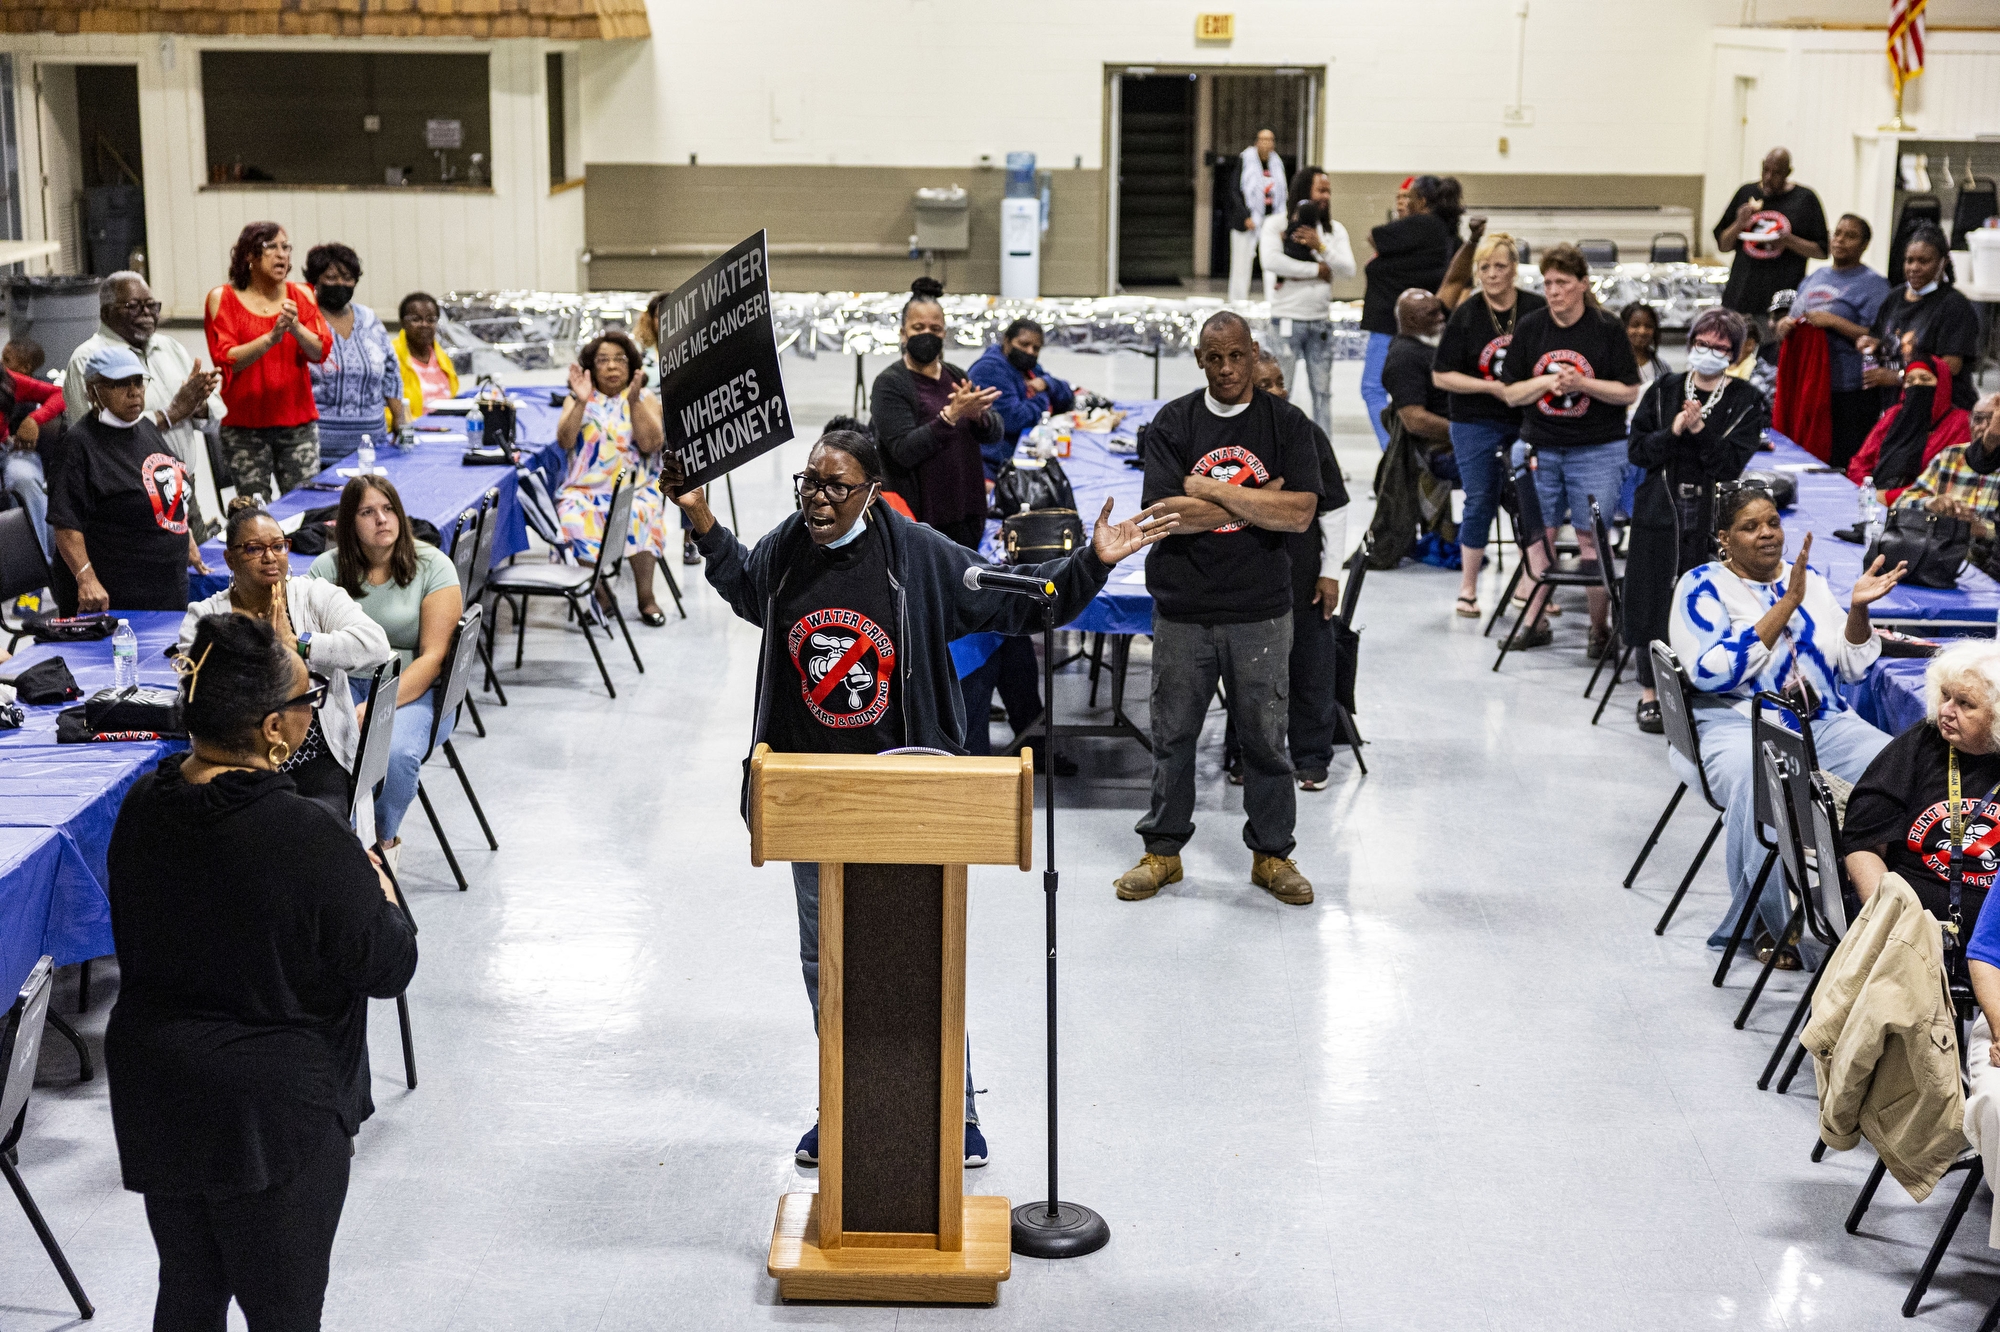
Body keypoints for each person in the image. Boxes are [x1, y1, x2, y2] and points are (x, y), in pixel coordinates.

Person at [668, 427, 1173, 1167]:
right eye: (809, 482)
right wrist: (702, 518)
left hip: (906, 795)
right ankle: (842, 1099)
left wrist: (1091, 562)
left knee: (920, 956)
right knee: (826, 961)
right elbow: (749, 589)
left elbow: (1020, 601)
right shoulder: (788, 546)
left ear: (872, 492)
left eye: (836, 486)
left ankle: (955, 1111)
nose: (817, 499)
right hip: (811, 797)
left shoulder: (920, 556)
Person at [105, 611, 416, 1332]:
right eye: (308, 698)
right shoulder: (308, 835)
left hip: (159, 1090)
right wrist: (383, 886)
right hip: (273, 1111)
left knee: (188, 1291)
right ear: (275, 728)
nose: (312, 710)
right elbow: (389, 965)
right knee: (284, 1312)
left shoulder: (143, 805)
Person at [1114, 311, 1321, 906]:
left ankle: (1272, 854)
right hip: (1184, 609)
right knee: (1173, 735)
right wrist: (1259, 499)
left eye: (1236, 356)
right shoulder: (1173, 422)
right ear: (1200, 360)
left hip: (1260, 611)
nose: (1227, 369)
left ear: (1253, 353)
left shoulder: (1287, 424)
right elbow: (1164, 517)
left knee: (1265, 740)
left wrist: (1208, 488)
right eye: (1215, 358)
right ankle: (1163, 851)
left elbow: (1300, 514)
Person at [1669, 488, 1904, 962]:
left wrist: (1859, 611)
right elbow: (1709, 673)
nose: (1766, 534)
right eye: (1750, 527)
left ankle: (1879, 904)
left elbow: (1852, 666)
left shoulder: (1809, 580)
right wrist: (1787, 604)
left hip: (1821, 720)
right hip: (1736, 722)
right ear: (1724, 538)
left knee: (1896, 767)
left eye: (1772, 523)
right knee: (1762, 777)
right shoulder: (1701, 586)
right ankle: (1768, 919)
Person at [181, 499, 392, 819]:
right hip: (236, 763)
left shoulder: (314, 595)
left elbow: (376, 646)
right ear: (229, 559)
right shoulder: (205, 617)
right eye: (254, 549)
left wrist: (298, 644)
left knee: (317, 825)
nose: (270, 557)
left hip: (316, 757)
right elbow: (192, 691)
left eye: (278, 546)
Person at [307, 475, 463, 870]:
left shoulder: (434, 566)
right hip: (342, 685)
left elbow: (434, 657)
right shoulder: (325, 569)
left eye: (389, 508)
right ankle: (334, 845)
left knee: (394, 755)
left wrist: (379, 702)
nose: (382, 519)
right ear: (349, 523)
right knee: (308, 748)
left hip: (414, 690)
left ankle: (381, 842)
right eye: (368, 512)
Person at [1624, 309, 1766, 733]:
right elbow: (1638, 451)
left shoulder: (1745, 400)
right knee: (1651, 597)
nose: (1709, 352)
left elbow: (1730, 464)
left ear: (1733, 354)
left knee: (1702, 600)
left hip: (1709, 514)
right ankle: (1650, 692)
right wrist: (1673, 431)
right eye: (1702, 344)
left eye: (1720, 347)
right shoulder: (1663, 389)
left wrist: (1701, 430)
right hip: (1659, 509)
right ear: (1690, 344)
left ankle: (1695, 685)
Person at [1220, 349, 1353, 790]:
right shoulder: (1228, 439)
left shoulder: (1306, 433)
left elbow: (1334, 509)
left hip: (1302, 573)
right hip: (1244, 575)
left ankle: (1311, 755)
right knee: (1246, 670)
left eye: (1280, 382)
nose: (1278, 391)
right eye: (1266, 385)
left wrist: (1330, 572)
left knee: (1310, 667)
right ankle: (1244, 753)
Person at [1500, 243, 1642, 655]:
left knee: (1590, 537)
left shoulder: (1606, 328)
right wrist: (1547, 382)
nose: (1553, 291)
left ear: (1582, 284)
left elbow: (1628, 391)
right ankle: (1534, 621)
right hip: (1542, 448)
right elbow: (1510, 393)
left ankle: (1599, 630)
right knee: (1539, 536)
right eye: (1547, 283)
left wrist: (1583, 384)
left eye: (1562, 282)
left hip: (1597, 450)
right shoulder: (1531, 327)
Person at [1432, 230, 1546, 617]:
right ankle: (1468, 588)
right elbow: (1441, 375)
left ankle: (1534, 583)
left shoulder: (1535, 309)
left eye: (1500, 266)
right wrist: (1492, 388)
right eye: (1485, 267)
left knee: (1531, 501)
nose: (1492, 274)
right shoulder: (1467, 313)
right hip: (1475, 420)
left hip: (1527, 420)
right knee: (1479, 499)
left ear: (1514, 269)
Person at [48, 344, 210, 614]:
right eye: (120, 383)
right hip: (117, 596)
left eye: (138, 382)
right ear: (93, 391)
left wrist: (186, 536)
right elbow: (65, 523)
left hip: (167, 587)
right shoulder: (79, 445)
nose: (134, 391)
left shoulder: (145, 429)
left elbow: (167, 490)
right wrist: (86, 577)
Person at [65, 271, 226, 532]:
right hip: (130, 500)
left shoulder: (169, 347)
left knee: (198, 559)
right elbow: (95, 439)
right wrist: (172, 413)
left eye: (152, 305)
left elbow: (215, 419)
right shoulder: (88, 359)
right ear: (106, 313)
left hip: (183, 488)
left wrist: (198, 406)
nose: (147, 313)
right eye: (134, 306)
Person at [869, 277, 1001, 547]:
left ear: (944, 334)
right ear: (903, 333)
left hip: (967, 508)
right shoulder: (890, 383)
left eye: (935, 328)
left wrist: (980, 417)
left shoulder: (956, 375)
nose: (927, 334)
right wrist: (949, 417)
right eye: (918, 327)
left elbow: (993, 432)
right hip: (923, 519)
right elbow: (903, 451)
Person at [205, 222, 330, 501]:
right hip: (244, 429)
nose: (281, 254)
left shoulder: (302, 294)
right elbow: (226, 359)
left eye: (286, 247)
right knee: (255, 511)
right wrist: (271, 338)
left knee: (304, 506)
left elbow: (320, 351)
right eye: (271, 247)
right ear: (249, 255)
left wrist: (295, 327)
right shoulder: (223, 298)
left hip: (296, 425)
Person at [555, 329, 673, 625]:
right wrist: (581, 402)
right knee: (571, 515)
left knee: (640, 512)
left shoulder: (643, 397)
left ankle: (646, 597)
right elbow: (565, 442)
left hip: (636, 487)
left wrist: (634, 403)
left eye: (619, 359)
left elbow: (651, 444)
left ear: (631, 365)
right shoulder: (578, 398)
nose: (611, 366)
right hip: (585, 489)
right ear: (591, 367)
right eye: (603, 360)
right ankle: (601, 594)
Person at [1775, 213, 1891, 468]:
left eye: (1850, 236)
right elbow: (1796, 318)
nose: (1840, 240)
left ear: (1864, 245)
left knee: (1842, 461)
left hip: (1848, 390)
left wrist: (1833, 321)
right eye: (1837, 233)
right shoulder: (1814, 277)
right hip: (1809, 384)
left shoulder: (1874, 285)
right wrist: (1785, 325)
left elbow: (1880, 339)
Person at [1360, 174, 1462, 447]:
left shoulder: (1420, 225)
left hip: (1391, 323)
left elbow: (1374, 236)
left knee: (1372, 388)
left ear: (1423, 201)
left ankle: (1391, 450)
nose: (1404, 203)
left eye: (1409, 198)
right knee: (1412, 393)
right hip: (1419, 326)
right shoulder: (1444, 232)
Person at [1258, 165, 1355, 436]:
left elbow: (1348, 269)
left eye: (1328, 191)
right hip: (1286, 321)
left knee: (1322, 393)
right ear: (1303, 191)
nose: (1326, 196)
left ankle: (1323, 456)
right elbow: (1271, 261)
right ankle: (1278, 452)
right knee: (1280, 391)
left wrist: (1320, 246)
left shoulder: (1333, 231)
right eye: (1321, 190)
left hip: (1320, 324)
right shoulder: (1276, 224)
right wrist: (1317, 270)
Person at [1859, 222, 1983, 414]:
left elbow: (1950, 367)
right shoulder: (1895, 297)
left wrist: (1898, 377)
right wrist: (1872, 344)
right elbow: (1882, 337)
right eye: (1909, 261)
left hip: (1937, 409)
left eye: (1923, 261)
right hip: (1898, 406)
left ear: (1943, 262)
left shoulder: (1954, 305)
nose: (1914, 268)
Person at [303, 242, 406, 468]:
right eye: (331, 277)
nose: (340, 283)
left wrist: (399, 418)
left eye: (348, 278)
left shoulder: (368, 318)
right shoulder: (304, 319)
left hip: (372, 449)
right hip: (317, 451)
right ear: (314, 280)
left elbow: (391, 371)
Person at [1712, 147, 1829, 320]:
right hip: (1740, 296)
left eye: (1776, 173)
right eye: (1765, 170)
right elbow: (1723, 245)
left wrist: (1788, 241)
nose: (1768, 177)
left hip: (1781, 303)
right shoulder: (1746, 193)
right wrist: (1739, 224)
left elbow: (1821, 251)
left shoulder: (1805, 199)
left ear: (1788, 172)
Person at [1846, 352, 1971, 499]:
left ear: (1942, 384)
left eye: (1925, 379)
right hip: (1873, 497)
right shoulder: (1894, 415)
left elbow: (1944, 481)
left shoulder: (1960, 422)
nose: (1917, 384)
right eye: (1910, 380)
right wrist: (1866, 490)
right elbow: (1860, 462)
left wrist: (1889, 497)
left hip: (1918, 505)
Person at [1889, 392, 2000, 550]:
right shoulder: (1951, 456)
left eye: (1993, 421)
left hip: (1985, 559)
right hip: (1938, 554)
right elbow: (1899, 504)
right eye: (1978, 419)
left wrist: (1984, 530)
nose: (1983, 427)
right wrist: (1929, 504)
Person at [967, 318, 1076, 477]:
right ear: (1007, 341)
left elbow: (1067, 396)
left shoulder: (1027, 367)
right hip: (992, 466)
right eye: (1024, 344)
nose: (1030, 352)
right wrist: (1042, 396)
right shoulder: (989, 370)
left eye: (1036, 348)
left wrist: (1046, 383)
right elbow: (1014, 419)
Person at [0, 337, 66, 557]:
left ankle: (39, 565)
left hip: (9, 449)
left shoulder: (7, 381)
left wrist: (34, 419)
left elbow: (59, 394)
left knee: (25, 479)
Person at [1381, 289, 1451, 448]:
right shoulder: (1404, 357)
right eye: (1432, 314)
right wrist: (1467, 434)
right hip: (1440, 448)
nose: (1441, 317)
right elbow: (1415, 420)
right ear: (1412, 320)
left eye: (1440, 310)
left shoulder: (1431, 345)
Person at [1229, 128, 1287, 305]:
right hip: (1247, 220)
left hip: (1270, 220)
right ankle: (1238, 302)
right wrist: (1245, 216)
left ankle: (1272, 301)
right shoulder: (1245, 160)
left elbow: (1282, 194)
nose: (1266, 143)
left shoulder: (1277, 163)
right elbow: (1234, 191)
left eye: (1270, 140)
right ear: (1256, 142)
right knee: (1241, 264)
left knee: (1271, 261)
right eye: (1263, 139)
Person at [393, 291, 459, 420]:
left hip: (448, 426)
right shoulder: (392, 357)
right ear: (403, 322)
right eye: (416, 319)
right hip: (413, 428)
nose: (424, 325)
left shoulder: (441, 357)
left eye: (430, 320)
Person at [1621, 302, 1669, 411]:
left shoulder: (1663, 367)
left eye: (1648, 326)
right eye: (1635, 325)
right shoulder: (1612, 365)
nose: (1642, 331)